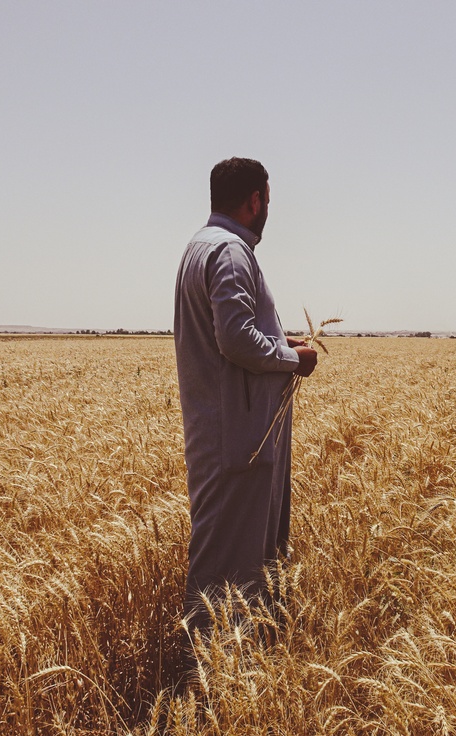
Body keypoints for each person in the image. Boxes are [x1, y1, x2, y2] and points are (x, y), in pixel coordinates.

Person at [173, 157, 317, 640]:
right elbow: (234, 338)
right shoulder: (232, 252)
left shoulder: (200, 247)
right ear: (254, 200)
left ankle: (217, 675)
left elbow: (237, 333)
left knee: (221, 556)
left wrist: (280, 341)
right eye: (268, 201)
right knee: (229, 567)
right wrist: (295, 360)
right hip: (239, 438)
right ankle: (210, 680)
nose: (268, 210)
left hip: (221, 432)